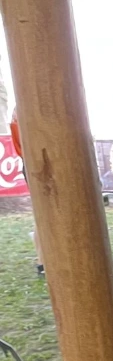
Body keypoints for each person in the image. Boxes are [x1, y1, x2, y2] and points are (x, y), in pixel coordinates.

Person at [9, 109, 43, 277]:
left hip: (37, 161)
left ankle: (43, 261)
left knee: (43, 214)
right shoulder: (26, 107)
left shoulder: (22, 109)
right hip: (37, 162)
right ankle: (42, 261)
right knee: (44, 214)